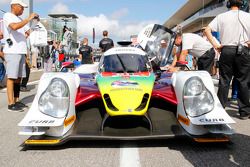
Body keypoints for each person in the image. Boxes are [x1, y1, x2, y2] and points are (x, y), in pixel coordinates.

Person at [205, 0, 250, 119]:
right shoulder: (248, 16)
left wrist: (216, 45)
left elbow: (207, 30)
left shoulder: (221, 16)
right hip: (243, 51)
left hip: (226, 50)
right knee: (243, 81)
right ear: (242, 4)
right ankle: (244, 112)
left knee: (224, 81)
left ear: (229, 4)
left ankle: (220, 109)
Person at [3, 0, 38, 111]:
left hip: (21, 51)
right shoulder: (8, 15)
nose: (23, 10)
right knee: (12, 77)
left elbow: (29, 31)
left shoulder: (20, 19)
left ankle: (17, 100)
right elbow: (14, 27)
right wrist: (28, 18)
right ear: (14, 6)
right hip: (12, 51)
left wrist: (36, 21)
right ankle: (10, 103)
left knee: (18, 78)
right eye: (21, 7)